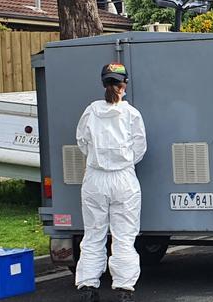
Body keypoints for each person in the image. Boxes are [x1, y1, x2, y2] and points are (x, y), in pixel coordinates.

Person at [75, 63, 147, 302]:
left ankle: (87, 287)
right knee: (124, 236)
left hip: (95, 178)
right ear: (124, 84)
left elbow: (82, 142)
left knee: (94, 234)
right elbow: (139, 148)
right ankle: (123, 290)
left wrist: (98, 159)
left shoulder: (91, 110)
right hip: (124, 178)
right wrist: (123, 163)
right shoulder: (131, 114)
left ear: (103, 83)